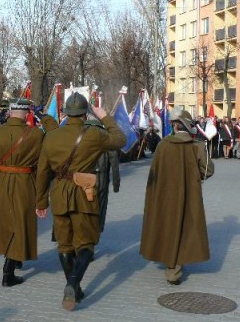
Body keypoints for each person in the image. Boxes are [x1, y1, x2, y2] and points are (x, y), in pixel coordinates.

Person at [35, 93, 126, 311]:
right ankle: (73, 283)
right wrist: (104, 117)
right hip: (84, 193)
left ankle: (74, 288)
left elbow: (42, 172)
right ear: (85, 113)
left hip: (59, 193)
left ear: (66, 113)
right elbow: (121, 140)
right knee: (86, 243)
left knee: (64, 244)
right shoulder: (94, 133)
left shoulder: (52, 136)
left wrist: (41, 202)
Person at [0, 98, 44, 287]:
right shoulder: (36, 134)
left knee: (6, 222)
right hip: (26, 182)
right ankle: (8, 271)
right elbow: (42, 166)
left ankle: (16, 258)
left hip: (2, 182)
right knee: (20, 223)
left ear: (10, 112)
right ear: (27, 113)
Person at [140, 107, 214, 285]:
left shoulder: (162, 145)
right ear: (188, 126)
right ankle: (174, 269)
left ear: (174, 126)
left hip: (165, 195)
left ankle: (169, 262)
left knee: (168, 226)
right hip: (189, 194)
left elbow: (154, 172)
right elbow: (208, 170)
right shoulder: (196, 146)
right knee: (185, 227)